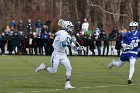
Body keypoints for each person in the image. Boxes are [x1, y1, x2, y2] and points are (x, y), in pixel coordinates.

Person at [35, 19, 83, 89]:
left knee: (69, 68)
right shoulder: (62, 33)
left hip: (63, 54)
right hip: (56, 54)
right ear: (66, 27)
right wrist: (69, 40)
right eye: (70, 27)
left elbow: (73, 47)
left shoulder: (68, 35)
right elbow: (62, 44)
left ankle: (67, 84)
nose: (71, 29)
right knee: (53, 71)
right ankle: (43, 67)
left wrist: (78, 48)